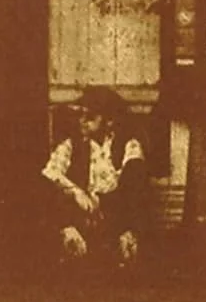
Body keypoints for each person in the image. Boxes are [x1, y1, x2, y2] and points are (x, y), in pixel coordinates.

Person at [42, 85, 148, 267]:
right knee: (54, 193)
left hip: (113, 211)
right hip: (82, 211)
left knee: (134, 195)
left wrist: (102, 200)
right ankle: (72, 238)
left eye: (90, 117)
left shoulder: (127, 145)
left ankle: (123, 242)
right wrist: (76, 192)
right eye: (81, 115)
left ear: (109, 121)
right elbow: (51, 172)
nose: (82, 121)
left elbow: (133, 180)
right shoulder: (72, 145)